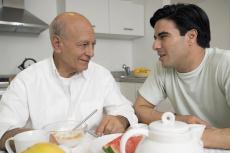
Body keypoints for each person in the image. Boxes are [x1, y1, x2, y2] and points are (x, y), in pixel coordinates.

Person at [0, 12, 137, 150]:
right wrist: (29, 138)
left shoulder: (102, 75)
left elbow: (125, 109)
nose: (91, 52)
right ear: (57, 44)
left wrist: (121, 120)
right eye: (83, 44)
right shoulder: (25, 80)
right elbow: (3, 131)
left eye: (92, 44)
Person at [134, 3, 230, 149]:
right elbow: (140, 108)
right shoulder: (163, 67)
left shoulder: (225, 64)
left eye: (163, 37)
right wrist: (178, 120)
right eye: (155, 38)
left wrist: (184, 134)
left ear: (191, 37)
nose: (155, 46)